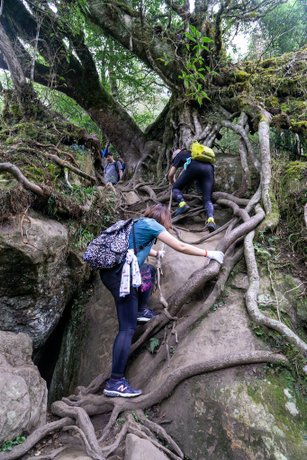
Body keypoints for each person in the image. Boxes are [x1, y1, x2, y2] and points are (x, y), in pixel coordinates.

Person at [99, 203, 224, 398]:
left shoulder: (139, 223)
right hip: (120, 276)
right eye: (169, 220)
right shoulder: (153, 226)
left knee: (148, 270)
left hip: (112, 272)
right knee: (127, 328)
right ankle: (115, 382)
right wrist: (209, 253)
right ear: (163, 219)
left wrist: (156, 253)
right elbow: (180, 246)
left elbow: (134, 245)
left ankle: (140, 310)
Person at [168, 147, 217, 232]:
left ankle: (182, 205)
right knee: (207, 199)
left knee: (175, 188)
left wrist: (173, 183)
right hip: (209, 168)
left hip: (193, 166)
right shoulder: (195, 154)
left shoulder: (179, 155)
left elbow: (170, 174)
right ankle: (211, 220)